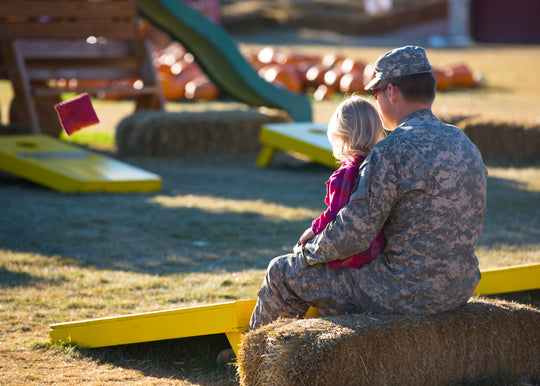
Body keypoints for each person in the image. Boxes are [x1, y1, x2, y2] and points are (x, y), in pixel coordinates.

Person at [249, 46, 487, 330]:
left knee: (282, 271)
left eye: (376, 94)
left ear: (392, 92)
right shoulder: (464, 143)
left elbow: (353, 234)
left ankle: (255, 359)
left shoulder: (392, 149)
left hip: (404, 293)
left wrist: (308, 251)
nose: (376, 102)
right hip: (459, 287)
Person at [298, 96, 386, 277]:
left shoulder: (346, 175)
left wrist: (313, 229)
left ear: (341, 135)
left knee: (299, 255)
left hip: (353, 257)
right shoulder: (380, 167)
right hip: (376, 249)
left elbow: (335, 216)